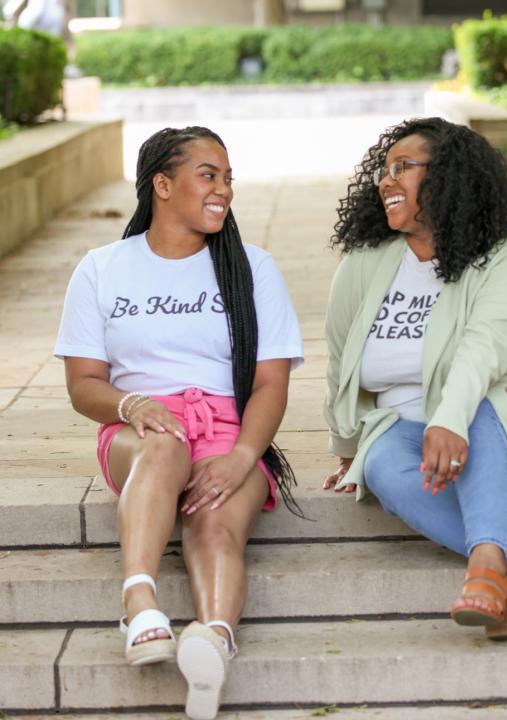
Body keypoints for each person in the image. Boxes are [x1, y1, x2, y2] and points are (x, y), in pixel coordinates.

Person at [322, 117, 507, 641]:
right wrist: (347, 451)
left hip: (500, 408)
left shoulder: (503, 260)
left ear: (449, 177)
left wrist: (448, 419)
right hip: (403, 422)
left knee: (470, 404)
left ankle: (483, 573)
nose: (387, 181)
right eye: (384, 172)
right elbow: (340, 361)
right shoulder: (365, 263)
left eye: (402, 169)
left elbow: (481, 354)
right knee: (381, 466)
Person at [55, 126, 303, 718]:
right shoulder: (102, 268)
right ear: (162, 185)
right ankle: (140, 603)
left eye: (228, 178)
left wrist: (243, 456)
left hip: (228, 430)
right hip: (137, 428)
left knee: (215, 524)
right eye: (208, 175)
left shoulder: (254, 268)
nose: (223, 190)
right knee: (163, 447)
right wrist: (131, 405)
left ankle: (213, 640)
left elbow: (270, 384)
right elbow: (82, 385)